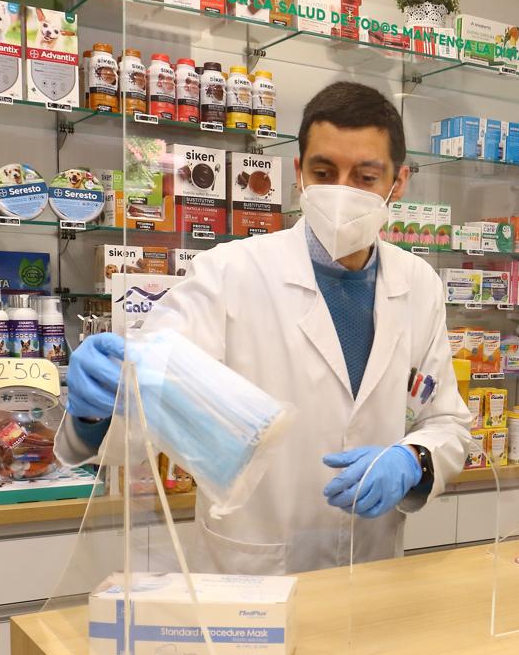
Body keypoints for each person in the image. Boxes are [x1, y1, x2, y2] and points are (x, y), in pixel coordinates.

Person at [59, 82, 471, 575]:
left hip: (372, 573)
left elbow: (447, 421)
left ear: (397, 183)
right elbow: (144, 419)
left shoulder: (418, 284)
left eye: (364, 176)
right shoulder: (228, 273)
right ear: (297, 174)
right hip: (250, 577)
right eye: (324, 172)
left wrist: (414, 460)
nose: (342, 191)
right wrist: (94, 410)